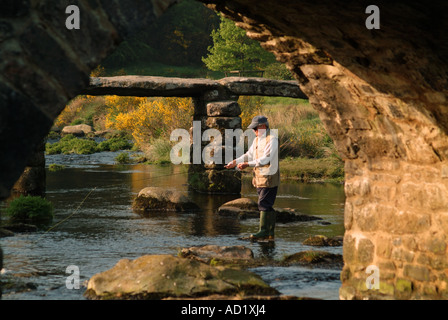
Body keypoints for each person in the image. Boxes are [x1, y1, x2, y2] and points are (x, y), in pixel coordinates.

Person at [225, 115, 280, 241]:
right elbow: (249, 154)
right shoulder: (257, 140)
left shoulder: (272, 139)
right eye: (253, 129)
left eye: (255, 128)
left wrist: (247, 165)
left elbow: (266, 159)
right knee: (266, 204)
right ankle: (269, 233)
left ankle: (264, 231)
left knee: (264, 203)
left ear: (263, 126)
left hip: (269, 178)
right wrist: (235, 161)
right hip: (260, 177)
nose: (254, 131)